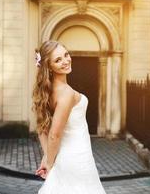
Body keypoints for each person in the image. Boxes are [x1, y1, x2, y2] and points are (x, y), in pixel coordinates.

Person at [32, 40, 106, 194]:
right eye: (58, 60)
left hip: (65, 157)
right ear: (49, 67)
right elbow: (54, 134)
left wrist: (47, 157)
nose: (66, 61)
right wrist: (50, 164)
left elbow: (41, 128)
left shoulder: (47, 92)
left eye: (66, 55)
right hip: (76, 158)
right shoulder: (66, 93)